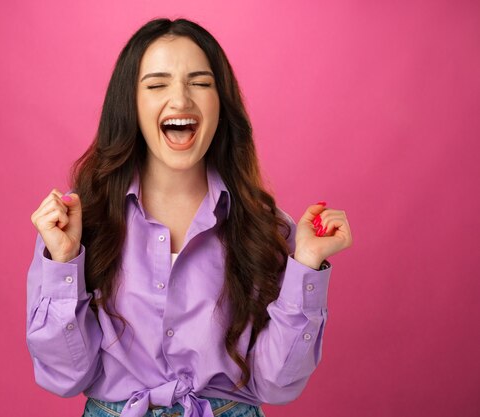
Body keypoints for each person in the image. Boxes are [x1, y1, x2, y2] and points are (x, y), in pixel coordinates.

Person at [26, 18, 352, 417]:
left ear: (221, 102)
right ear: (130, 103)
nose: (180, 100)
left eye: (199, 83)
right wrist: (63, 263)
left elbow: (275, 384)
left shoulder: (265, 228)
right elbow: (66, 377)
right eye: (157, 84)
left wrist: (305, 265)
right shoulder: (77, 224)